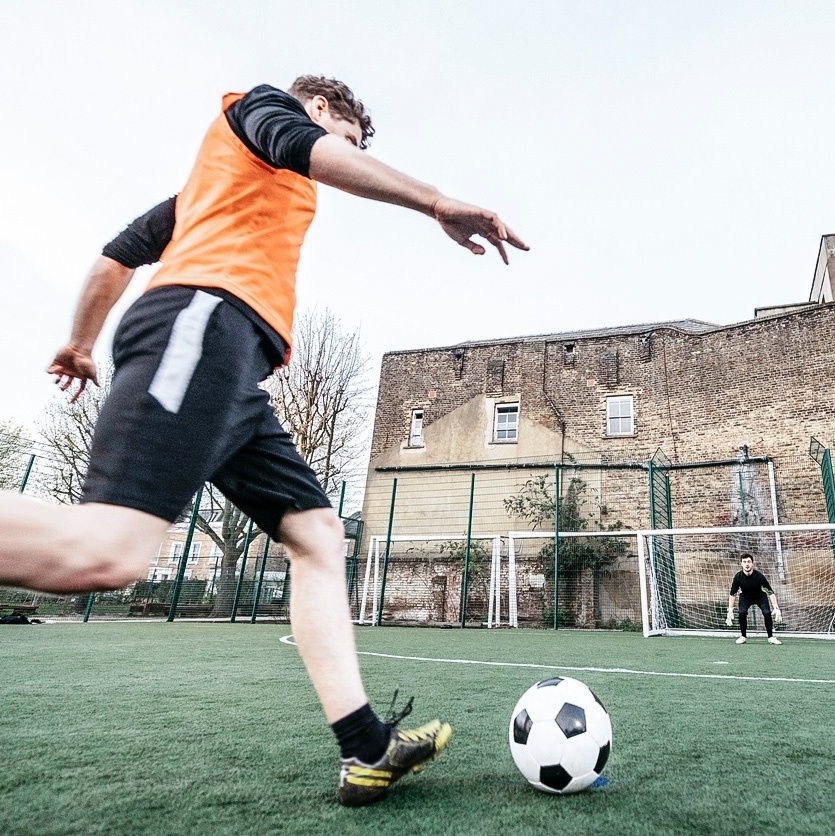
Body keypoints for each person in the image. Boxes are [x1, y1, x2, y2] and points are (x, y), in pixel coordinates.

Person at [0, 77, 528, 806]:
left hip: (236, 371)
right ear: (319, 110)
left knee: (317, 535)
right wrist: (433, 200)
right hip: (201, 321)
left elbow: (114, 258)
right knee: (108, 551)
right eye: (348, 137)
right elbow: (309, 151)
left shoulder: (214, 190)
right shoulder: (264, 109)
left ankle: (365, 748)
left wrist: (81, 342)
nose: (346, 154)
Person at [726, 553, 783, 645]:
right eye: (744, 562)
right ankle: (743, 636)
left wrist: (776, 607)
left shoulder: (759, 576)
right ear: (741, 564)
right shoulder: (738, 577)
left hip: (760, 596)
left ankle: (771, 637)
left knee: (767, 613)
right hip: (745, 597)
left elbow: (770, 592)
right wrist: (730, 610)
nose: (747, 564)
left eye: (749, 562)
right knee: (742, 612)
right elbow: (732, 594)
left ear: (752, 563)